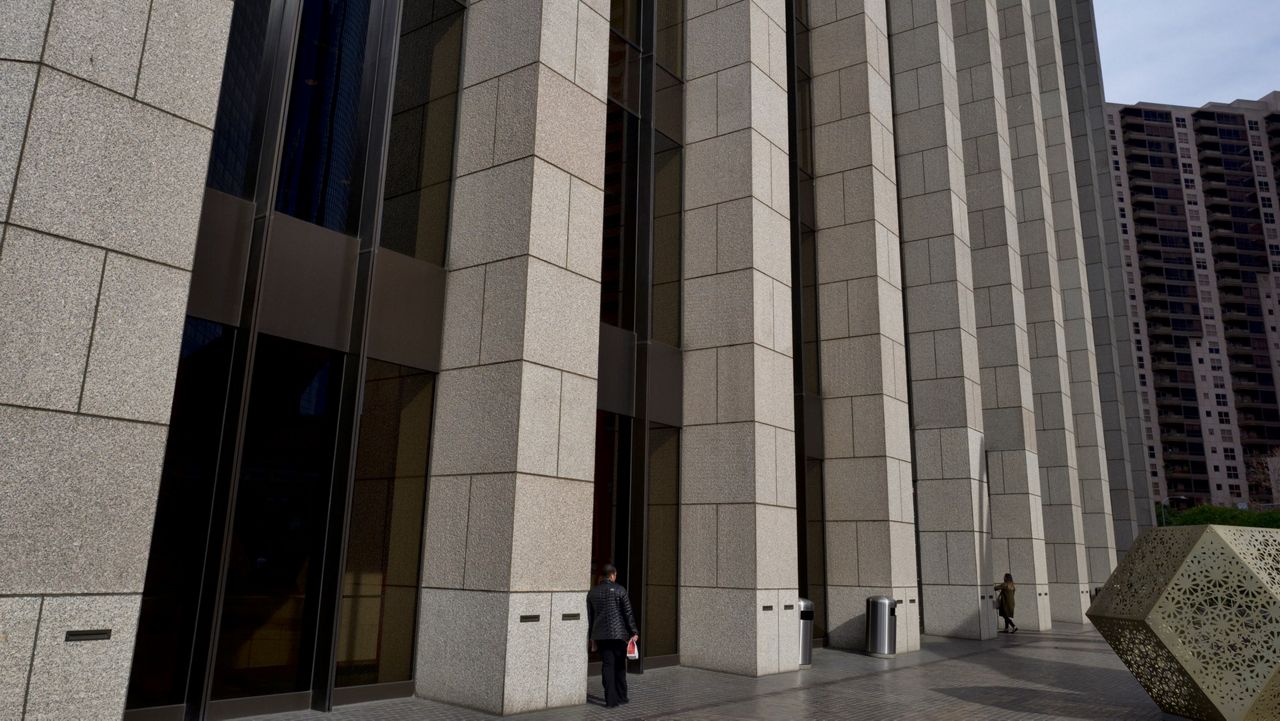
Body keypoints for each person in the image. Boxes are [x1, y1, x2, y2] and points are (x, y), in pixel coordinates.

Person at [587, 563, 639, 708]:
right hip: (619, 635)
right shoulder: (620, 590)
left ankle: (611, 700)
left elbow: (590, 618)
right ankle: (622, 696)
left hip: (601, 636)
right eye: (615, 575)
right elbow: (628, 613)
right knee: (620, 667)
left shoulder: (592, 593)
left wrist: (591, 638)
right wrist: (634, 632)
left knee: (607, 666)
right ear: (612, 575)